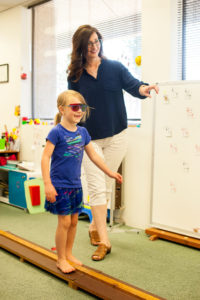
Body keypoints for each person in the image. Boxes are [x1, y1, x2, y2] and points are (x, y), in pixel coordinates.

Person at [67, 25, 159, 261]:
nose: (94, 46)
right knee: (97, 187)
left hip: (118, 136)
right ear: (80, 47)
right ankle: (105, 242)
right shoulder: (75, 77)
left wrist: (145, 88)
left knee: (106, 184)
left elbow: (133, 85)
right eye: (88, 43)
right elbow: (74, 106)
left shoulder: (114, 68)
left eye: (96, 41)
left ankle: (93, 227)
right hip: (90, 141)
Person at [41, 90, 122, 273]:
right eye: (75, 107)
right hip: (60, 185)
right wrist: (47, 183)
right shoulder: (56, 132)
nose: (79, 111)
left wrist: (110, 172)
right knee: (64, 223)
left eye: (82, 107)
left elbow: (93, 156)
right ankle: (61, 259)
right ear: (62, 109)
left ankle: (68, 254)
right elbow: (45, 158)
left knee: (75, 222)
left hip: (75, 185)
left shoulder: (83, 132)